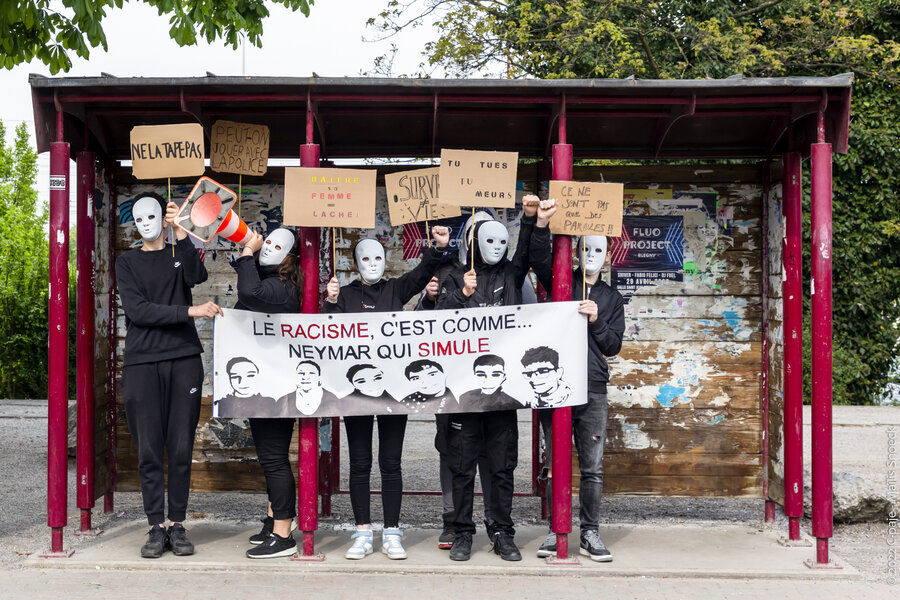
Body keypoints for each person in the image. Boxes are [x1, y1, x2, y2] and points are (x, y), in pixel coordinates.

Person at [324, 226, 450, 560]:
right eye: (365, 257)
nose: (373, 262)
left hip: (393, 391)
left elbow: (422, 273)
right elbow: (328, 333)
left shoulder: (397, 288)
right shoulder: (348, 294)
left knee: (391, 462)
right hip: (358, 395)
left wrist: (437, 247)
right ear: (355, 263)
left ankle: (392, 532)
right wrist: (331, 302)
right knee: (361, 462)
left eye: (378, 256)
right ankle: (363, 531)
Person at [435, 197, 547, 562]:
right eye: (490, 241)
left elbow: (527, 253)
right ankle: (463, 532)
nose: (497, 248)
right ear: (475, 243)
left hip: (503, 391)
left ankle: (501, 531)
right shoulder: (456, 275)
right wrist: (461, 293)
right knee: (462, 464)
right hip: (465, 392)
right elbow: (434, 322)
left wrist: (530, 219)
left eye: (503, 242)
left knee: (501, 465)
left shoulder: (511, 276)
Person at [117, 192, 221, 559]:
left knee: (180, 446)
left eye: (153, 216)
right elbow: (138, 310)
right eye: (138, 217)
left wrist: (182, 232)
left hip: (183, 360)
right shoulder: (126, 262)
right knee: (148, 447)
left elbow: (198, 275)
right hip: (142, 363)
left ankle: (177, 524)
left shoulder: (179, 251)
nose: (144, 223)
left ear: (164, 218)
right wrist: (189, 312)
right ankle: (154, 526)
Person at [529, 206, 626, 563]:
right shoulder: (561, 282)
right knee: (556, 463)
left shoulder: (612, 299)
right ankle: (558, 529)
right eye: (585, 249)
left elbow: (613, 345)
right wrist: (541, 224)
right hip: (555, 387)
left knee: (592, 465)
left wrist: (597, 320)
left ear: (607, 256)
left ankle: (589, 531)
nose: (591, 256)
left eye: (598, 250)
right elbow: (538, 258)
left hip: (593, 387)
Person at [230, 227, 305, 559]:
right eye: (267, 242)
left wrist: (247, 253)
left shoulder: (282, 287)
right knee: (269, 456)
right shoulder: (273, 281)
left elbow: (249, 293)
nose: (267, 247)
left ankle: (283, 534)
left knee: (274, 458)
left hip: (276, 386)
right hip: (264, 383)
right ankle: (275, 518)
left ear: (288, 257)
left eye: (277, 245)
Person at [214, 357, 281, 418]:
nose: (243, 381)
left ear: (258, 375)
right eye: (235, 376)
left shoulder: (269, 402)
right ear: (229, 378)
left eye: (250, 375)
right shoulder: (220, 404)